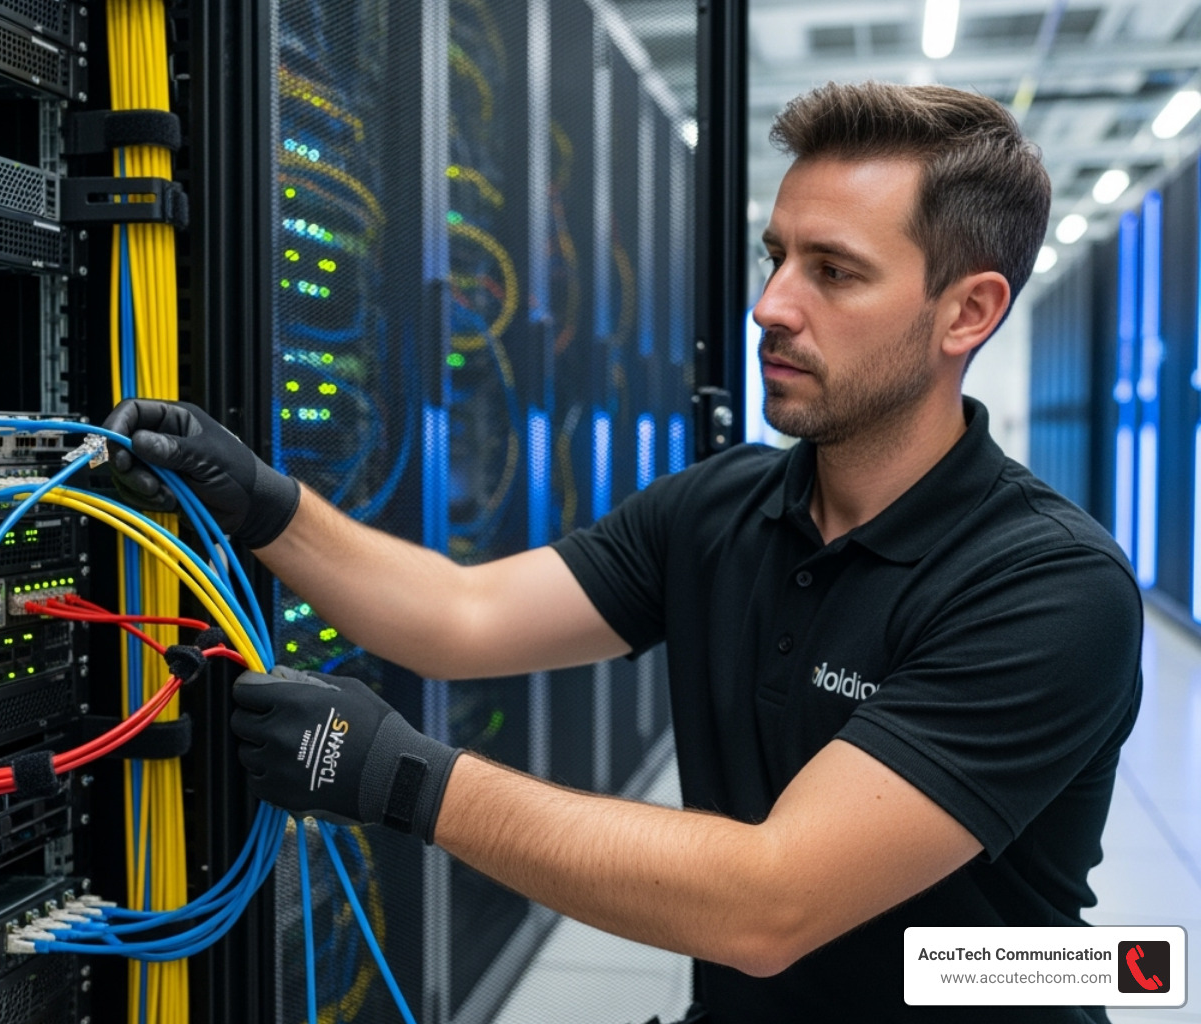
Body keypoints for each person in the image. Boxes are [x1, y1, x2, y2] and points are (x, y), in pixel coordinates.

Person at [104, 81, 1142, 1023]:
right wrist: (268, 506)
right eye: (777, 255)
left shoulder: (1048, 585)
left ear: (969, 310)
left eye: (835, 272)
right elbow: (463, 618)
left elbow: (768, 901)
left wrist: (398, 776)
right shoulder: (728, 507)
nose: (771, 306)